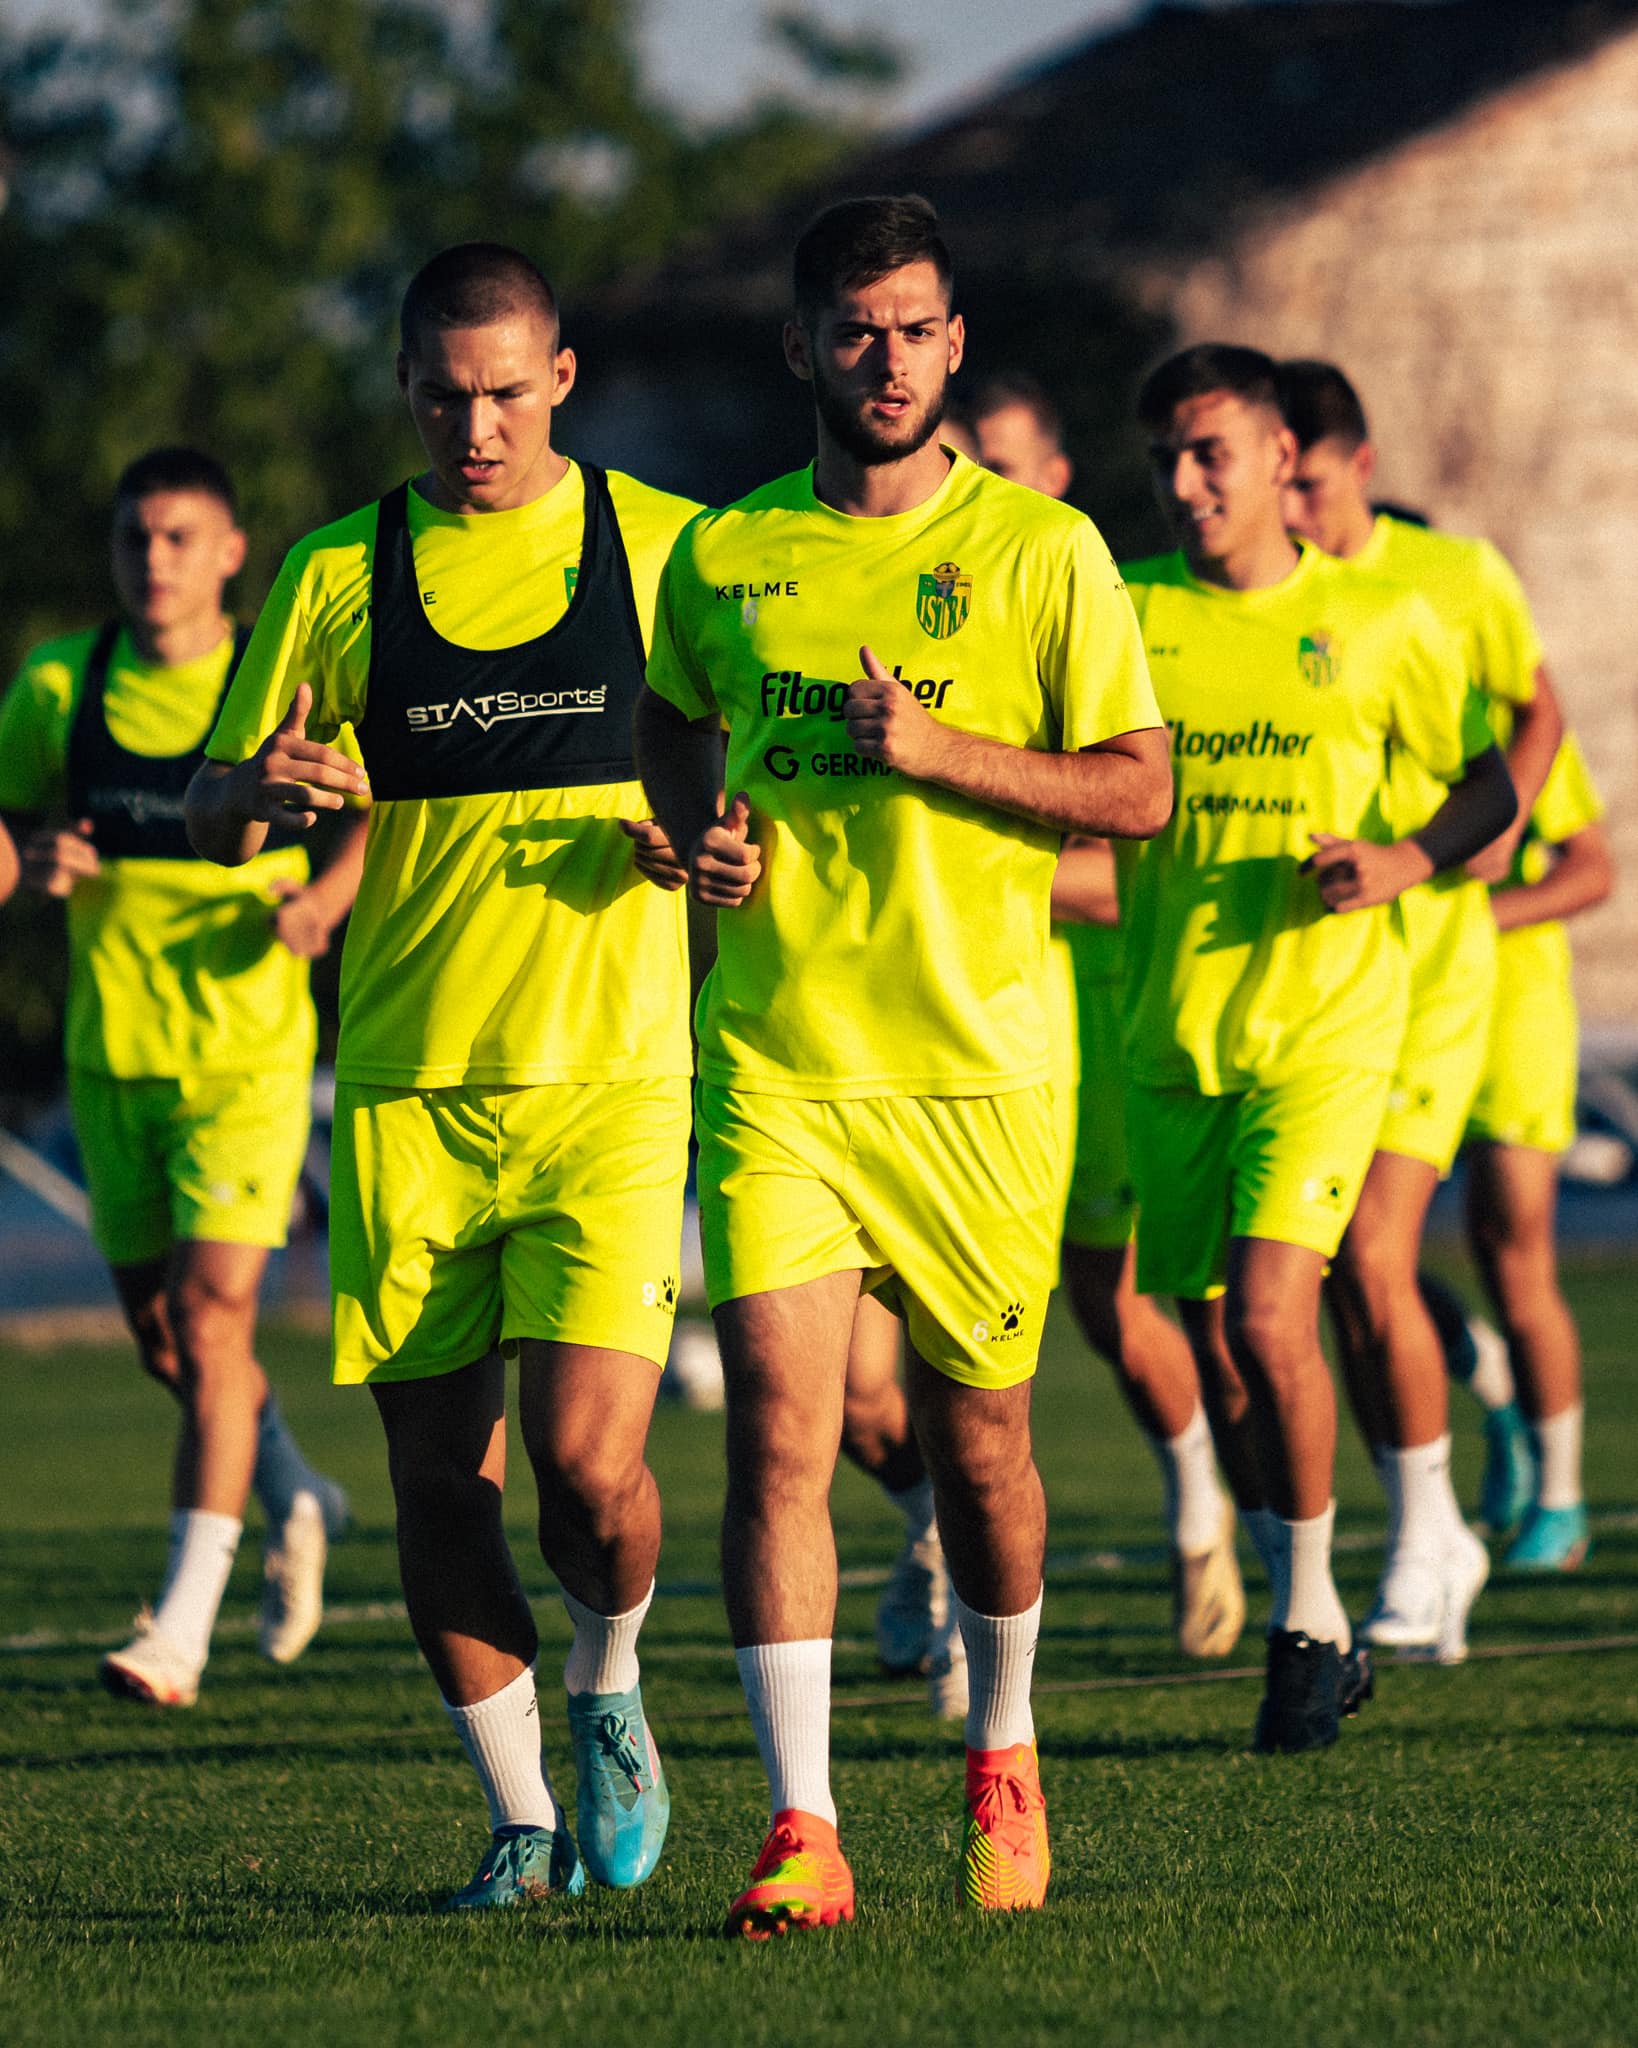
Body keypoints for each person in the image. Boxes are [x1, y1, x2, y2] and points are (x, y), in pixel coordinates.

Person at [637, 194, 1171, 1933]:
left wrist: (942, 751)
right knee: (776, 1438)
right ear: (801, 346)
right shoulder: (724, 553)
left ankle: (1002, 1746)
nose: (887, 358)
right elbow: (669, 724)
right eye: (855, 330)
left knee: (980, 1446)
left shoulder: (1044, 551)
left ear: (954, 343)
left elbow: (1139, 790)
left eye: (916, 327)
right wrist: (702, 834)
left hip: (980, 1076)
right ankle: (800, 1826)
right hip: (778, 1064)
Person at [186, 244, 697, 1909]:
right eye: (439, 397)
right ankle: (521, 1818)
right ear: (404, 389)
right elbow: (212, 804)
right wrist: (256, 789)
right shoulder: (339, 570)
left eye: (503, 394)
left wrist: (712, 839)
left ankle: (609, 1677)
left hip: (610, 1080)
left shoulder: (668, 547)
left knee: (589, 1469)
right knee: (436, 1488)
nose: (473, 429)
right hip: (409, 1091)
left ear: (561, 379)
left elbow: (749, 765)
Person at [1122, 344, 1517, 1753]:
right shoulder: (1122, 612)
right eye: (1165, 458)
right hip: (1169, 1035)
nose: (1185, 483)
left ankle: (1302, 1624)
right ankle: (1325, 1601)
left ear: (1281, 458)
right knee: (1218, 1347)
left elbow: (1491, 781)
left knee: (1274, 1312)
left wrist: (1404, 857)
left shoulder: (1384, 615)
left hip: (1329, 1032)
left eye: (1209, 454)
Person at [0, 447, 358, 1706]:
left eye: (179, 537)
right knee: (165, 1340)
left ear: (230, 552)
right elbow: (9, 830)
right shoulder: (60, 682)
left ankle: (181, 1627)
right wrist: (33, 859)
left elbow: (377, 808)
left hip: (246, 1057)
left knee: (211, 1323)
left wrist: (324, 900)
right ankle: (294, 1487)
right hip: (114, 1054)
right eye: (133, 538)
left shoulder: (278, 677)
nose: (153, 560)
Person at [1278, 359, 1565, 1648]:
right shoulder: (1252, 602)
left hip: (1437, 968)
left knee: (1374, 1254)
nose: (1292, 506)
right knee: (1330, 1276)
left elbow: (1536, 708)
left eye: (1309, 482)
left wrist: (1478, 829)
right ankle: (1435, 1527)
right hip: (1314, 980)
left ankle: (1424, 1540)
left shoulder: (1448, 579)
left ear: (1360, 466)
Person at [972, 374, 1246, 1660]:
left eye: (1000, 460)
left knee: (1154, 1305)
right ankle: (938, 1561)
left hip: (1113, 1008)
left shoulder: (1106, 607)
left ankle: (1224, 1516)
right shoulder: (913, 621)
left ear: (1057, 477)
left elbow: (1140, 844)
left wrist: (976, 857)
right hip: (958, 1014)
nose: (975, 482)